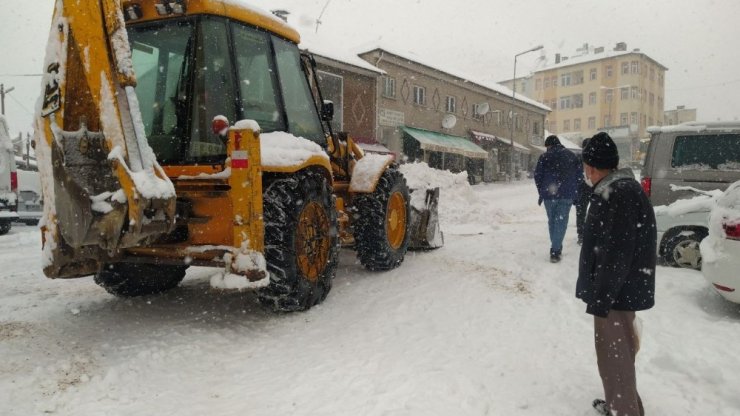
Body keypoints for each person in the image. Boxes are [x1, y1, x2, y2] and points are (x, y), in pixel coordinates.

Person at [576, 132, 656, 416]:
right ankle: (624, 404)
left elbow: (617, 252)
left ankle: (623, 410)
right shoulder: (620, 188)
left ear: (592, 167)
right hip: (620, 289)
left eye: (586, 166)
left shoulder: (618, 193)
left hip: (616, 293)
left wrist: (603, 296)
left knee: (614, 356)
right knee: (619, 352)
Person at [534, 135, 581, 262]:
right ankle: (556, 250)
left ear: (549, 145)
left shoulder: (544, 157)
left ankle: (555, 248)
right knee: (561, 221)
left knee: (552, 221)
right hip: (567, 194)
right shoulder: (572, 156)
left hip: (549, 195)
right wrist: (575, 191)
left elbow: (538, 176)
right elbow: (579, 176)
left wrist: (542, 191)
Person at [574, 137, 592, 245]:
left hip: (581, 189)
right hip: (595, 188)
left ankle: (581, 234)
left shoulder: (578, 157)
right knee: (596, 211)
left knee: (581, 212)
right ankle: (592, 232)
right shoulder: (597, 157)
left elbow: (575, 174)